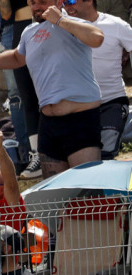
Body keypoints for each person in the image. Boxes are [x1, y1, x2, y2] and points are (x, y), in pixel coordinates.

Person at [0, 0, 105, 179]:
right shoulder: (29, 32)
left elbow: (97, 37)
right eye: (32, 2)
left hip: (80, 120)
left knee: (86, 191)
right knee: (54, 195)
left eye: (42, 2)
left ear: (58, 1)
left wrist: (60, 20)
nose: (36, 7)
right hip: (48, 123)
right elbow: (17, 58)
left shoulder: (73, 23)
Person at [62, 0, 132, 159]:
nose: (67, 6)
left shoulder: (116, 25)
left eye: (71, 1)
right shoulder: (60, 27)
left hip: (111, 102)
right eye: (63, 2)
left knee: (105, 156)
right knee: (81, 161)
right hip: (77, 106)